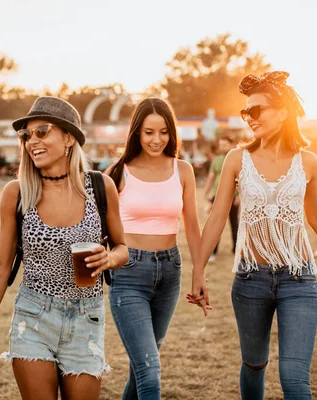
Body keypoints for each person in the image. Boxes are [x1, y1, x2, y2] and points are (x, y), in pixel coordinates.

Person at [189, 71, 317, 399]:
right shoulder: (237, 159)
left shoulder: (307, 162)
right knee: (254, 366)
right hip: (250, 280)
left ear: (283, 112)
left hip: (300, 280)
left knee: (294, 380)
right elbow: (217, 216)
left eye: (257, 110)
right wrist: (199, 269)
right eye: (245, 112)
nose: (249, 118)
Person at [0, 97, 129, 400]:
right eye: (26, 135)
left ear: (69, 138)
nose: (32, 142)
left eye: (42, 132)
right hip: (34, 315)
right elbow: (1, 268)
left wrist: (109, 258)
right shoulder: (16, 193)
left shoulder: (100, 186)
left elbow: (123, 248)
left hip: (87, 316)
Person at [105, 98, 202, 399]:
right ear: (136, 132)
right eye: (148, 132)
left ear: (172, 133)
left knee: (144, 366)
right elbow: (100, 228)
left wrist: (199, 273)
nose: (156, 139)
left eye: (163, 132)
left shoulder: (182, 170)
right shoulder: (118, 171)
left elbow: (193, 225)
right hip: (128, 273)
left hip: (170, 271)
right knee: (149, 370)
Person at [203, 135, 240, 262]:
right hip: (217, 196)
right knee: (215, 224)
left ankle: (236, 249)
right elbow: (211, 176)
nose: (222, 147)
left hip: (233, 197)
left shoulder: (236, 159)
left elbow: (242, 179)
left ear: (230, 145)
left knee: (234, 223)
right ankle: (213, 251)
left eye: (225, 144)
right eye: (221, 144)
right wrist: (206, 193)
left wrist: (239, 196)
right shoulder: (217, 160)